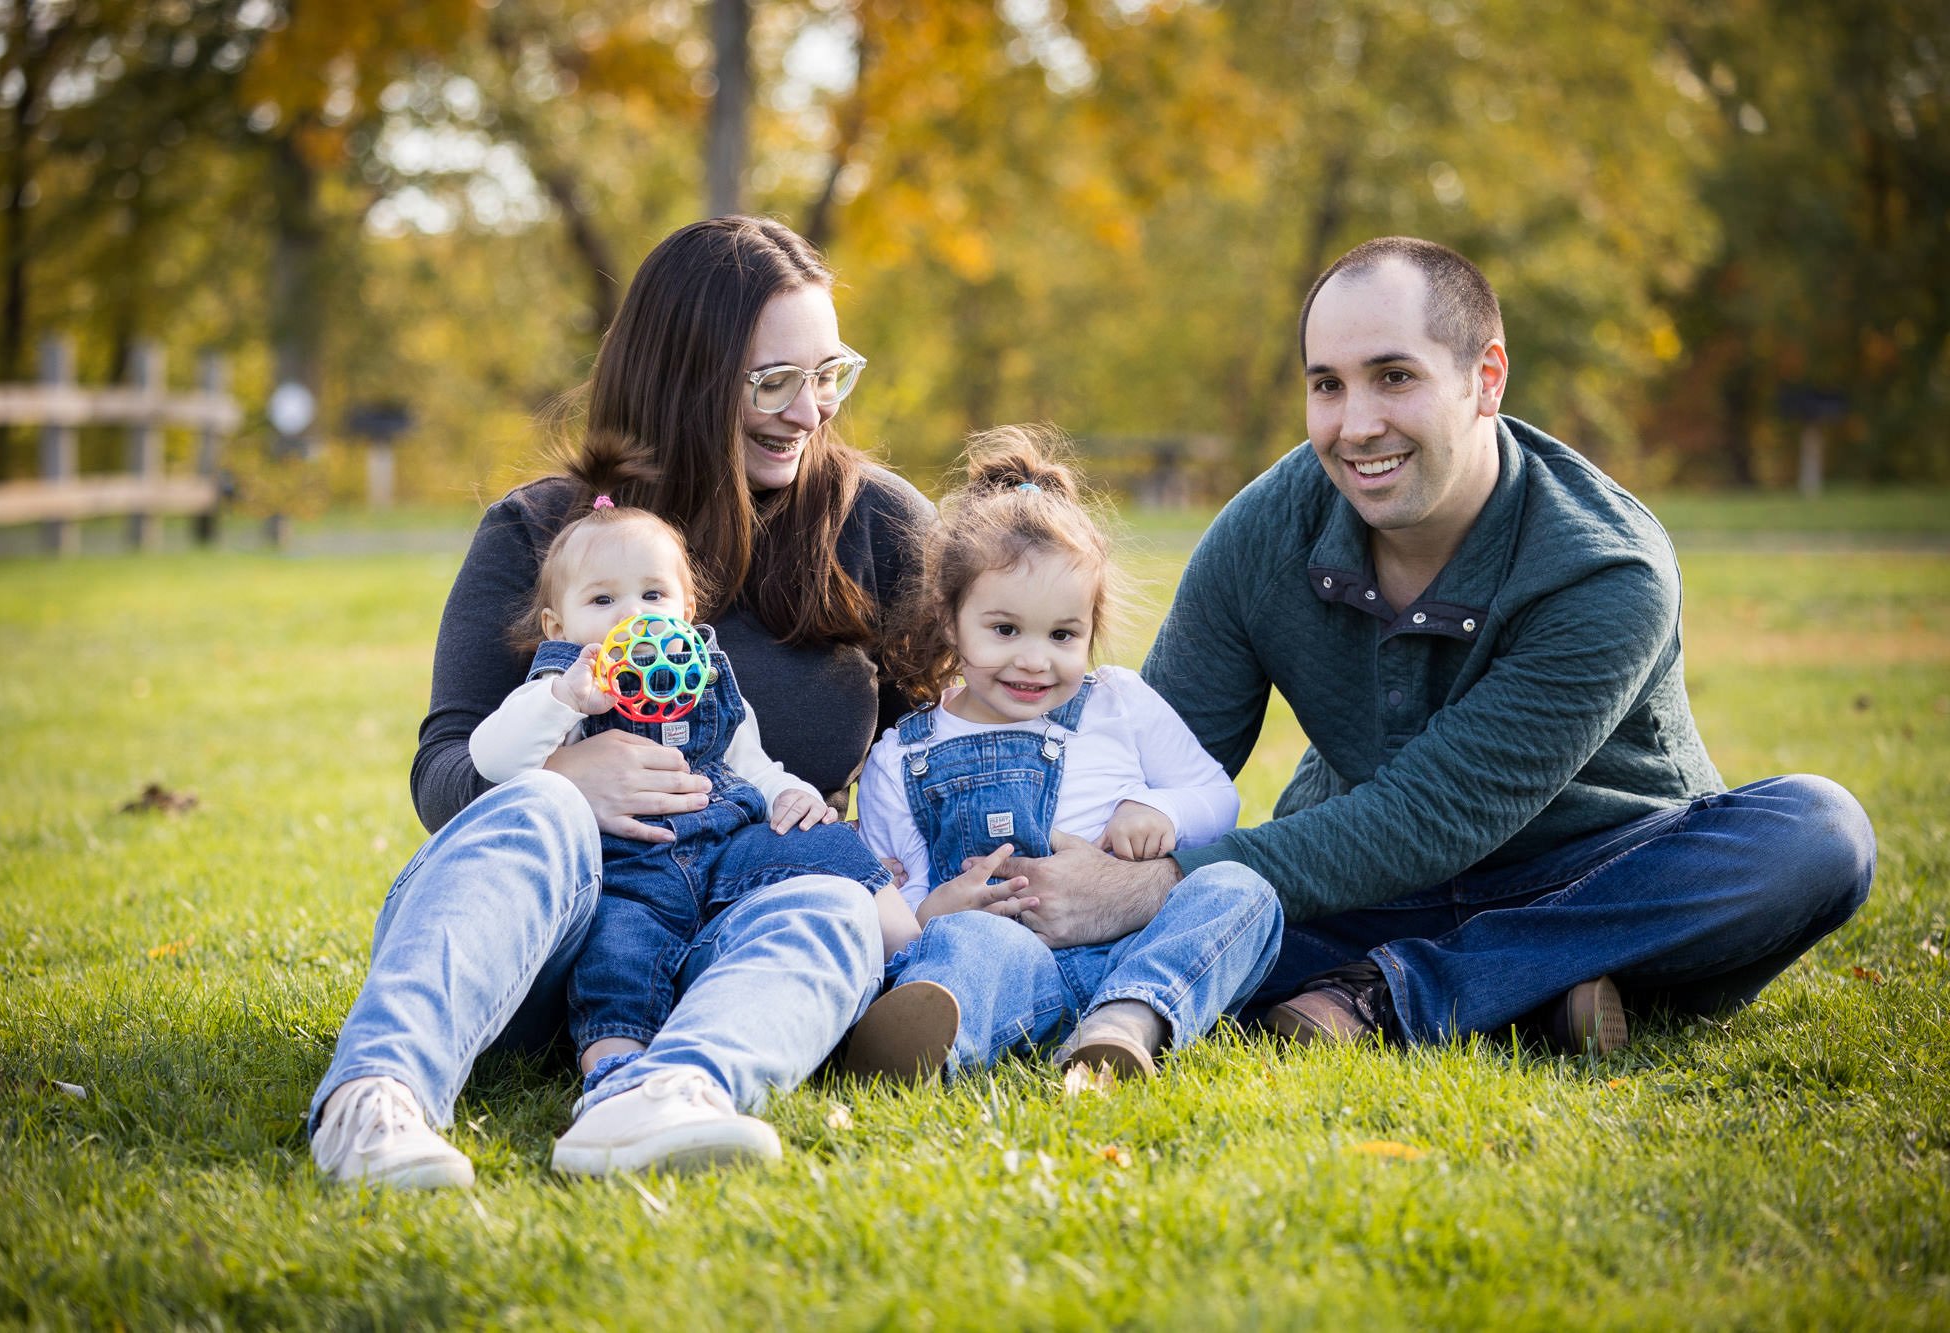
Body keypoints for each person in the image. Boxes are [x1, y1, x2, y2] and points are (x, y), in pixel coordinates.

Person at [996, 236, 1875, 1054]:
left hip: (1598, 885)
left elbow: (1434, 815)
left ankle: (1392, 992)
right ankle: (1532, 997)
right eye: (1327, 385)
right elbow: (1149, 757)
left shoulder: (1605, 566)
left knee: (1818, 834)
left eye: (1394, 377)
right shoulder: (1265, 531)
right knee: (1195, 916)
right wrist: (1026, 874)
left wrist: (1162, 883)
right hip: (1359, 889)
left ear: (1485, 379)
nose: (1356, 425)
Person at [306, 215, 931, 1189]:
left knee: (835, 904)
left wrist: (936, 888)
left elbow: (940, 743)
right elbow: (443, 775)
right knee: (544, 807)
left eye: (828, 374)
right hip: (542, 950)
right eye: (773, 381)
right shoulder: (541, 532)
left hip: (729, 945)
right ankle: (376, 1098)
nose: (809, 410)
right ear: (685, 377)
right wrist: (567, 772)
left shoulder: (874, 524)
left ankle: (666, 1091)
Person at [465, 493, 895, 1163]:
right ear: (558, 623)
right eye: (602, 600)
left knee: (825, 845)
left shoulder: (705, 674)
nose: (632, 614)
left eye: (653, 594)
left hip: (726, 847)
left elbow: (750, 763)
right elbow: (492, 759)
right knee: (617, 957)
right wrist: (562, 700)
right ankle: (615, 1076)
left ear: (687, 609)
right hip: (628, 871)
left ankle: (910, 962)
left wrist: (791, 795)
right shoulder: (564, 684)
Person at [848, 428, 1283, 1082]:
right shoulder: (905, 754)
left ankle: (1126, 1020)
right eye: (1004, 629)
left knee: (1242, 890)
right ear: (948, 616)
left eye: (1062, 634)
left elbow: (1218, 799)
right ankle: (931, 1042)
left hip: (1129, 948)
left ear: (1090, 627)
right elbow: (900, 896)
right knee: (964, 941)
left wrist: (1159, 809)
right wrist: (933, 911)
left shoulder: (1119, 703)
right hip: (1008, 963)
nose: (1034, 659)